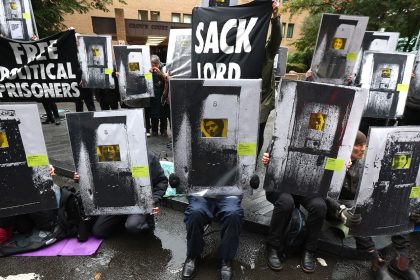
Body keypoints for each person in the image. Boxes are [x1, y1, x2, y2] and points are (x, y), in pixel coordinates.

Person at [325, 131, 420, 280]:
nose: (363, 148)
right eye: (358, 145)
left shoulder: (365, 162)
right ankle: (376, 261)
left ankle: (402, 260)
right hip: (337, 209)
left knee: (398, 205)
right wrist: (340, 169)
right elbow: (323, 193)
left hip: (359, 204)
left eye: (365, 145)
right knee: (358, 208)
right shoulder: (331, 160)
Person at [75, 152, 167, 238]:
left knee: (133, 226)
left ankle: (147, 222)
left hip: (140, 203)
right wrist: (82, 177)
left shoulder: (148, 156)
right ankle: (123, 219)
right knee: (98, 231)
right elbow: (96, 176)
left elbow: (162, 181)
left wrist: (153, 200)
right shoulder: (109, 152)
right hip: (117, 202)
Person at [262, 153, 327, 273]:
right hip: (280, 185)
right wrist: (268, 159)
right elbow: (273, 155)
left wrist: (347, 163)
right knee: (286, 202)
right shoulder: (284, 134)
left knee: (319, 206)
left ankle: (309, 250)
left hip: (305, 187)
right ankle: (273, 246)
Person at [258, 0, 282, 154]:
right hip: (243, 98)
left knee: (258, 133)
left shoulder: (267, 52)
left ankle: (251, 163)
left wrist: (275, 15)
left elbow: (276, 37)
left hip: (262, 101)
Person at [149, 55, 169, 137]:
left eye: (155, 65)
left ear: (158, 63)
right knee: (154, 114)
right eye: (152, 65)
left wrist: (158, 72)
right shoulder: (149, 69)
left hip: (162, 95)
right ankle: (154, 130)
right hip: (153, 95)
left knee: (163, 114)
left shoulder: (164, 68)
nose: (154, 67)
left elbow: (165, 79)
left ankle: (164, 130)